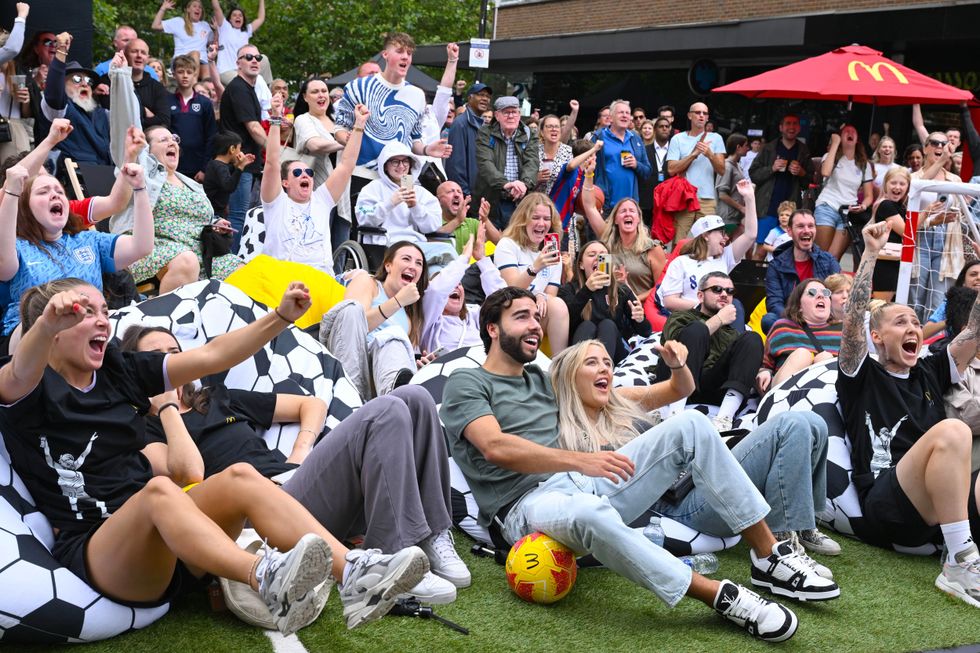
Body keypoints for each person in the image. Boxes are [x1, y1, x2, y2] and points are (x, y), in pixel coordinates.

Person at [0, 278, 429, 634]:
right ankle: (264, 576)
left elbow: (210, 356)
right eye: (84, 312)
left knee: (239, 475)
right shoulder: (29, 393)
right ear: (52, 327)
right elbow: (18, 372)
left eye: (102, 310)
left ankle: (354, 573)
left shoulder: (116, 370)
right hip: (105, 554)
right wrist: (41, 327)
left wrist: (278, 318)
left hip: (171, 550)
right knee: (159, 491)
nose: (102, 320)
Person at [439, 288, 835, 644]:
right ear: (492, 328)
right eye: (520, 317)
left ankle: (769, 557)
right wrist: (583, 459)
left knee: (692, 424)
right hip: (526, 506)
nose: (534, 324)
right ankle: (721, 595)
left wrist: (677, 366)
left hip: (583, 480)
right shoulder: (467, 382)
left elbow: (651, 394)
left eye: (535, 315)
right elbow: (494, 447)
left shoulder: (542, 380)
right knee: (589, 511)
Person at [124, 325, 469, 605]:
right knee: (385, 410)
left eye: (173, 353)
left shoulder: (216, 398)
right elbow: (188, 473)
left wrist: (300, 451)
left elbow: (312, 405)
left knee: (416, 397)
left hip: (295, 483)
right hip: (259, 517)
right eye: (154, 358)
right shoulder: (141, 428)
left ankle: (434, 535)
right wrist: (167, 406)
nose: (168, 361)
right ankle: (390, 559)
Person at [551, 340, 841, 558]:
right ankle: (781, 539)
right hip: (681, 506)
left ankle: (802, 525)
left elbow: (680, 390)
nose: (604, 368)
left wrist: (677, 365)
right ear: (569, 376)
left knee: (811, 421)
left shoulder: (618, 400)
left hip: (698, 478)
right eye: (591, 363)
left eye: (607, 362)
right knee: (790, 424)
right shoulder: (562, 428)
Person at [838, 220, 980, 609]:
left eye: (916, 322)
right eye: (900, 322)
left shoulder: (930, 368)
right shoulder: (860, 375)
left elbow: (975, 331)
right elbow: (853, 320)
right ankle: (959, 564)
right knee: (953, 431)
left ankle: (963, 549)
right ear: (878, 338)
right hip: (888, 502)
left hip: (937, 502)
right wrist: (868, 254)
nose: (913, 327)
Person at [0, 159, 151, 346]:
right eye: (43, 192)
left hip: (89, 329)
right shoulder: (16, 246)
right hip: (31, 337)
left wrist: (140, 189)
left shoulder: (88, 240)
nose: (55, 195)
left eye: (59, 191)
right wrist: (12, 193)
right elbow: (3, 266)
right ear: (24, 207)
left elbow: (142, 246)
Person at [333, 33, 451, 217]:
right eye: (400, 51)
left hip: (404, 177)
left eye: (409, 53)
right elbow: (339, 129)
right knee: (366, 232)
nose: (406, 57)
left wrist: (428, 149)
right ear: (385, 55)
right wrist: (350, 138)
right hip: (365, 172)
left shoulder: (417, 95)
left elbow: (414, 141)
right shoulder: (358, 87)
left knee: (407, 230)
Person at [259, 97, 364, 273]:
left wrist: (359, 125)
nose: (305, 175)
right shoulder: (276, 202)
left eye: (309, 173)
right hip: (280, 275)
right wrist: (276, 119)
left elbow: (347, 165)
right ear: (285, 182)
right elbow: (272, 162)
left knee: (361, 278)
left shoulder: (322, 200)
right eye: (297, 173)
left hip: (319, 277)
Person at [320, 241, 435, 399]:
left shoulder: (409, 318)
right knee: (353, 309)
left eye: (419, 263)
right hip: (348, 358)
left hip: (377, 376)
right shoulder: (368, 282)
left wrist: (415, 366)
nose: (413, 266)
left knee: (394, 340)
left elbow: (390, 357)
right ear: (388, 266)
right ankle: (349, 398)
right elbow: (351, 324)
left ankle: (397, 398)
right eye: (406, 259)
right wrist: (397, 302)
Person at [657, 271, 763, 432]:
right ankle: (673, 414)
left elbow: (741, 365)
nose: (724, 294)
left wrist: (763, 371)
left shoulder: (733, 333)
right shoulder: (682, 317)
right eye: (717, 289)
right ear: (700, 296)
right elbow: (673, 346)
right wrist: (719, 319)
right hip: (676, 380)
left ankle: (724, 418)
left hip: (712, 388)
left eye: (730, 291)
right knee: (697, 329)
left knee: (753, 338)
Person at [657, 179, 757, 315]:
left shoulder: (725, 258)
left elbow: (750, 235)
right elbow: (670, 301)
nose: (726, 237)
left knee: (737, 306)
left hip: (721, 320)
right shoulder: (681, 262)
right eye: (721, 233)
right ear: (705, 235)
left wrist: (749, 198)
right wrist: (705, 307)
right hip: (690, 320)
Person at [494, 193, 569, 353]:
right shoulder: (507, 244)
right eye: (535, 217)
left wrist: (541, 296)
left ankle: (559, 366)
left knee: (558, 305)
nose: (541, 223)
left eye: (546, 219)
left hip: (536, 312)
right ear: (523, 220)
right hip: (508, 309)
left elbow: (551, 295)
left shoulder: (552, 253)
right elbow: (511, 289)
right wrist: (535, 268)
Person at [558, 240, 651, 364]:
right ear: (581, 264)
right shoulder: (568, 290)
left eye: (603, 254)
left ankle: (603, 370)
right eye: (592, 255)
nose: (598, 257)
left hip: (614, 352)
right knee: (587, 325)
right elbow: (567, 323)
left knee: (607, 324)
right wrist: (586, 290)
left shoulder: (621, 291)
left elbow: (646, 332)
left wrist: (640, 319)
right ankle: (581, 372)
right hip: (580, 350)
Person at [421, 224, 506, 354]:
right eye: (451, 284)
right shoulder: (428, 318)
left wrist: (482, 260)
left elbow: (504, 300)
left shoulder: (473, 315)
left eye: (460, 284)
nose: (456, 286)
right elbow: (437, 290)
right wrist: (464, 258)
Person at [354, 143, 444, 255]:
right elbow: (363, 217)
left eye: (405, 161)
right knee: (446, 251)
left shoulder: (421, 192)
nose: (401, 166)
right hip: (387, 245)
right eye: (395, 162)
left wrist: (415, 207)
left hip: (416, 244)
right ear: (385, 165)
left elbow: (433, 225)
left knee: (440, 265)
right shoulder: (373, 188)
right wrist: (390, 203)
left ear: (411, 164)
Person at [37, 33, 113, 166]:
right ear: (62, 86)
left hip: (105, 175)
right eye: (77, 79)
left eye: (88, 81)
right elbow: (54, 91)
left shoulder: (102, 114)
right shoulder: (60, 111)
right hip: (72, 177)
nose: (84, 84)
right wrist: (61, 51)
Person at [763, 209, 841, 333]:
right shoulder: (776, 265)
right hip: (791, 320)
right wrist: (797, 319)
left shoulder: (829, 261)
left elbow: (837, 295)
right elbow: (774, 303)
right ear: (789, 231)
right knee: (769, 319)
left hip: (821, 319)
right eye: (800, 226)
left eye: (811, 226)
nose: (806, 230)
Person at [219, 43, 266, 247]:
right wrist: (275, 153)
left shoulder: (248, 89)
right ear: (238, 63)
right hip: (238, 164)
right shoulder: (239, 88)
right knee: (238, 218)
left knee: (241, 217)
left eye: (258, 57)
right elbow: (254, 128)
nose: (254, 60)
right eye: (248, 57)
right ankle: (230, 268)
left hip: (246, 164)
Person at [758, 279, 842, 392]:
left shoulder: (844, 331)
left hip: (827, 397)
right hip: (785, 394)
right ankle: (780, 404)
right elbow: (765, 364)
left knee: (825, 358)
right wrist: (764, 371)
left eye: (826, 293)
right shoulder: (782, 327)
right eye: (812, 292)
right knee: (802, 355)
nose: (821, 296)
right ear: (799, 305)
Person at [473, 95, 540, 230]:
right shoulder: (485, 133)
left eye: (514, 112)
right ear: (497, 116)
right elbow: (485, 163)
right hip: (491, 198)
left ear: (519, 115)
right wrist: (505, 184)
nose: (511, 116)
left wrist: (524, 183)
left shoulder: (529, 134)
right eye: (506, 112)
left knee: (514, 243)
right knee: (488, 245)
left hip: (518, 200)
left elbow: (532, 162)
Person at [292, 78, 349, 233]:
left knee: (341, 247)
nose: (321, 95)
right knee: (316, 240)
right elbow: (314, 145)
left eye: (324, 91)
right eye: (315, 91)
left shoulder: (338, 121)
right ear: (305, 97)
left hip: (343, 192)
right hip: (316, 190)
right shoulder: (303, 119)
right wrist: (348, 143)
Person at [749, 114, 813, 250]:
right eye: (788, 124)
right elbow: (753, 174)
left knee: (788, 250)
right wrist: (771, 168)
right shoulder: (768, 148)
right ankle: (757, 272)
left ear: (799, 128)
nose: (791, 127)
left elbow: (809, 180)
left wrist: (801, 172)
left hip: (791, 210)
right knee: (761, 249)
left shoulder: (803, 150)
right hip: (768, 207)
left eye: (795, 124)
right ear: (781, 127)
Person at [665, 102, 725, 243]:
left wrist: (710, 154)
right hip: (683, 198)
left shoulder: (716, 138)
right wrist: (694, 154)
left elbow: (722, 170)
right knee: (680, 242)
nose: (701, 116)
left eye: (704, 113)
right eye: (697, 113)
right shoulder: (677, 138)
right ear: (690, 115)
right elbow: (671, 169)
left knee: (709, 242)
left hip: (707, 198)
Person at [814, 125, 874, 260]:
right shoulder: (830, 156)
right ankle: (815, 281)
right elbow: (825, 172)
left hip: (848, 213)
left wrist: (863, 206)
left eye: (853, 131)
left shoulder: (864, 164)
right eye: (846, 131)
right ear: (841, 137)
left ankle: (829, 281)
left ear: (857, 139)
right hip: (827, 206)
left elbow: (869, 195)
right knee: (820, 255)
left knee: (834, 257)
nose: (850, 133)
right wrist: (835, 143)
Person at [590, 99, 651, 208]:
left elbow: (647, 171)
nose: (624, 116)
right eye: (620, 112)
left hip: (630, 205)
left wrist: (636, 164)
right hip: (605, 204)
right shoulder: (599, 137)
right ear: (611, 117)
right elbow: (586, 169)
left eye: (627, 113)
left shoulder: (635, 139)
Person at [167, 54, 217, 184]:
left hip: (197, 167)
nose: (185, 76)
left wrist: (205, 168)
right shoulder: (166, 101)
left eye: (189, 72)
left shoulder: (205, 103)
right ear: (173, 74)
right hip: (174, 165)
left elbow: (211, 136)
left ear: (195, 74)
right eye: (180, 72)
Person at [869, 166, 910, 300]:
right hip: (885, 262)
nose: (897, 187)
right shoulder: (886, 205)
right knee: (880, 307)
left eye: (902, 184)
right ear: (885, 185)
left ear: (907, 188)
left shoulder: (901, 207)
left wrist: (932, 221)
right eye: (893, 183)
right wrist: (927, 213)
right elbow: (907, 231)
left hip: (895, 261)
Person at [445, 82, 491, 197]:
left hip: (481, 193)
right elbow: (455, 164)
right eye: (481, 95)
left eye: (488, 96)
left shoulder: (484, 126)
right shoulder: (460, 123)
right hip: (468, 196)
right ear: (470, 98)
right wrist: (464, 194)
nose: (485, 99)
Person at [0, 3, 31, 163]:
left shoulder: (17, 73)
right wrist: (22, 16)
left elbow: (26, 114)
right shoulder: (10, 50)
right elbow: (12, 48)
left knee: (17, 175)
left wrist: (25, 101)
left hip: (13, 129)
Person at [152, 0, 212, 79]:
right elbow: (155, 26)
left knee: (208, 72)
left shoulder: (205, 25)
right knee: (195, 54)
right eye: (194, 6)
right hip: (181, 59)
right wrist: (163, 8)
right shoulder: (179, 22)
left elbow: (213, 43)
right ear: (188, 9)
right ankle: (193, 85)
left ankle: (203, 87)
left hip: (202, 62)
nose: (198, 9)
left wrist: (217, 30)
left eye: (200, 7)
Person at [434, 181, 500, 253]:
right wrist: (457, 220)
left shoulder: (472, 223)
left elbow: (499, 242)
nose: (456, 195)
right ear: (438, 200)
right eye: (450, 192)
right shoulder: (432, 222)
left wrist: (485, 219)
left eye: (459, 192)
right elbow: (432, 240)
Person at [211, 0, 265, 84]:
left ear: (243, 19)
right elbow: (216, 7)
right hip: (226, 70)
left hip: (244, 69)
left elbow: (261, 18)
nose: (238, 17)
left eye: (240, 15)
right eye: (234, 15)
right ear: (230, 19)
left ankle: (269, 88)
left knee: (264, 59)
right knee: (243, 83)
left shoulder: (247, 31)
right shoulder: (224, 26)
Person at [924, 260, 980, 340]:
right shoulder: (950, 302)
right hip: (955, 349)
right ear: (963, 281)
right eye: (973, 274)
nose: (978, 277)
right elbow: (923, 334)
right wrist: (951, 320)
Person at [203, 131, 252, 218]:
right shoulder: (219, 166)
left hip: (216, 210)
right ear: (232, 149)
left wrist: (236, 165)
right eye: (239, 149)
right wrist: (240, 167)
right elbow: (229, 186)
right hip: (214, 213)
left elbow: (226, 179)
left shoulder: (217, 164)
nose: (240, 152)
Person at [124, 39, 170, 130]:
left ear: (147, 58)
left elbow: (164, 121)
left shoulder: (157, 88)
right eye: (134, 51)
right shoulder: (111, 81)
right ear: (125, 55)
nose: (139, 56)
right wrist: (144, 111)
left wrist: (135, 119)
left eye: (143, 53)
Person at [715, 133, 749, 235]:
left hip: (735, 217)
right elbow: (722, 194)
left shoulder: (737, 165)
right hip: (727, 217)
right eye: (746, 145)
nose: (748, 148)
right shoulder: (727, 166)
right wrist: (741, 208)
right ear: (738, 147)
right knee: (724, 245)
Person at [536, 114, 572, 196]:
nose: (554, 129)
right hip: (537, 202)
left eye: (557, 126)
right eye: (549, 126)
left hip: (560, 202)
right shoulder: (534, 151)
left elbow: (573, 179)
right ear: (541, 132)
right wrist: (535, 178)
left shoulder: (568, 151)